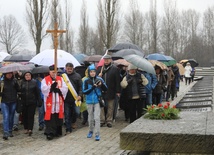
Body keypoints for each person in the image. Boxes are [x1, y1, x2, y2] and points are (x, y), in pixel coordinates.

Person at [41, 65, 68, 140]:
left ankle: (57, 131)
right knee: (50, 117)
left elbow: (65, 88)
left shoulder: (60, 79)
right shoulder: (45, 80)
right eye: (52, 72)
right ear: (49, 72)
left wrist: (59, 90)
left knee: (57, 116)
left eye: (55, 72)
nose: (53, 74)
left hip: (58, 101)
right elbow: (43, 89)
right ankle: (50, 132)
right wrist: (51, 88)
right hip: (50, 102)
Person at [82, 64, 107, 141]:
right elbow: (84, 91)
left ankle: (97, 134)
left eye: (94, 72)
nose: (92, 73)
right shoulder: (86, 81)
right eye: (91, 72)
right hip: (89, 101)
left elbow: (106, 88)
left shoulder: (100, 79)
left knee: (97, 118)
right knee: (91, 118)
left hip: (97, 101)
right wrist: (93, 87)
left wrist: (101, 85)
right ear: (89, 72)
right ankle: (90, 131)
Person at [97, 55, 121, 128]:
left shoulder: (114, 69)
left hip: (111, 90)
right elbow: (95, 79)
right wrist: (99, 76)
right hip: (101, 90)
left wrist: (118, 91)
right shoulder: (100, 69)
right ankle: (102, 120)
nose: (106, 61)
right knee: (101, 106)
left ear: (110, 60)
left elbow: (117, 81)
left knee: (110, 106)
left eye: (108, 59)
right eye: (105, 59)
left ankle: (109, 120)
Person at [20, 71, 43, 136]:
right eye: (26, 75)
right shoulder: (22, 82)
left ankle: (30, 129)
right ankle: (26, 127)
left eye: (29, 75)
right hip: (24, 101)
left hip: (32, 101)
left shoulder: (34, 82)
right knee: (24, 115)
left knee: (31, 115)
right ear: (24, 76)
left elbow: (37, 92)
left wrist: (39, 100)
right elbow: (19, 91)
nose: (28, 76)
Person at [62, 62, 82, 135]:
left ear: (73, 68)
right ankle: (68, 129)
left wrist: (80, 95)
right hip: (66, 99)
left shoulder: (77, 76)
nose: (69, 70)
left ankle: (73, 121)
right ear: (65, 68)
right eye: (68, 69)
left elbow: (80, 87)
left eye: (70, 69)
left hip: (75, 98)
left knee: (76, 112)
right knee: (67, 114)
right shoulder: (63, 76)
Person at [0, 72, 19, 140]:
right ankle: (6, 132)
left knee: (11, 116)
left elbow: (18, 90)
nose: (9, 74)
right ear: (5, 74)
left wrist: (17, 85)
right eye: (8, 73)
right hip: (4, 102)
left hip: (13, 101)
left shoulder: (14, 81)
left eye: (10, 73)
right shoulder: (2, 82)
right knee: (6, 116)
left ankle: (10, 130)